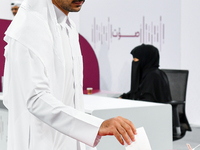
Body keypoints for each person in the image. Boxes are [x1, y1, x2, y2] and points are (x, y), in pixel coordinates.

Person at [3, 0, 137, 150]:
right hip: (39, 142)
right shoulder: (28, 28)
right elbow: (35, 99)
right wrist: (96, 125)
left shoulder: (70, 27)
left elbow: (73, 99)